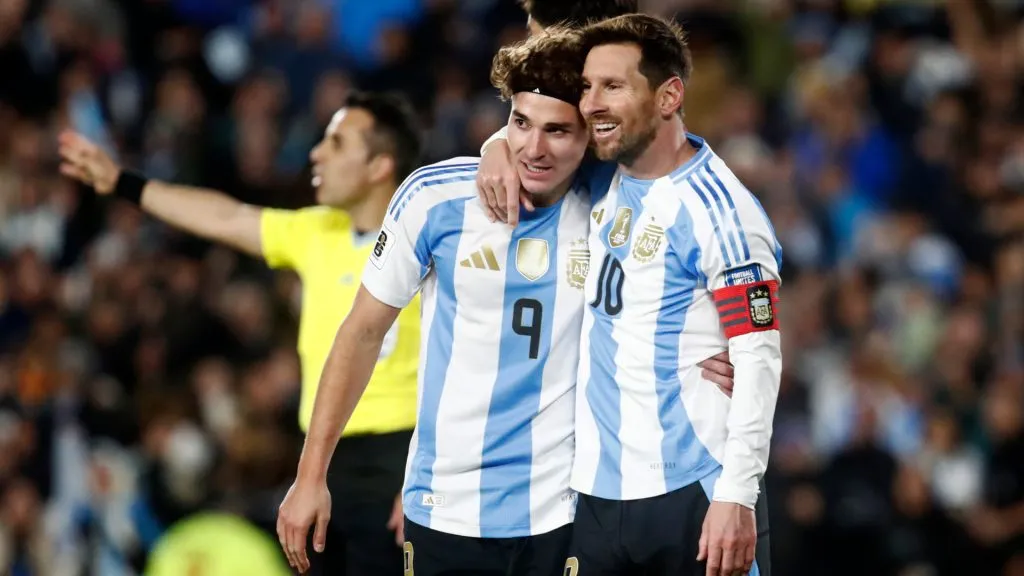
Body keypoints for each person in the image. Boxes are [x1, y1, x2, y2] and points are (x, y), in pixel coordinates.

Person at [56, 91, 424, 576]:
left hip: (400, 456)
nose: (316, 153)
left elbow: (466, 361)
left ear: (380, 165)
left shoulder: (427, 244)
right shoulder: (316, 232)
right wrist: (123, 182)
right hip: (320, 460)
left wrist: (425, 474)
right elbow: (225, 216)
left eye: (335, 143)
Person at [277, 29, 593, 576]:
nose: (534, 148)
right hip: (444, 510)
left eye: (558, 130)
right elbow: (360, 333)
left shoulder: (615, 205)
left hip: (562, 513)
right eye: (520, 124)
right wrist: (310, 477)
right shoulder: (434, 198)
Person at [477, 14, 782, 576]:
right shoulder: (601, 176)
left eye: (613, 86)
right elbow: (535, 133)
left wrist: (736, 496)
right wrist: (497, 143)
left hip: (692, 490)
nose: (592, 103)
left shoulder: (721, 213)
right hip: (595, 496)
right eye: (588, 87)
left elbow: (759, 358)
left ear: (668, 96)